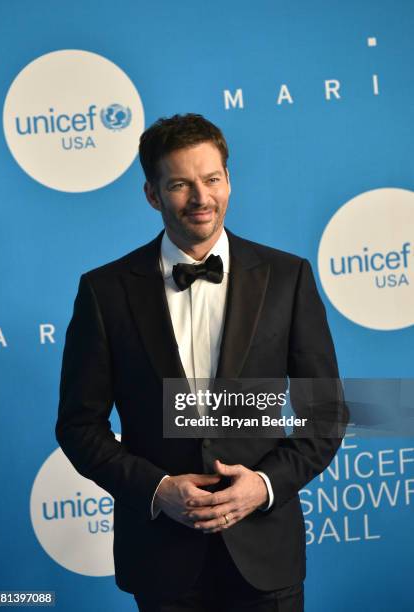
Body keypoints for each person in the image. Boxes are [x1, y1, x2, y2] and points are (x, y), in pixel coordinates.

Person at [56, 114, 344, 611]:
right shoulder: (105, 292)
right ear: (152, 194)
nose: (201, 198)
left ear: (229, 180)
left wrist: (264, 486)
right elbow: (79, 426)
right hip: (161, 559)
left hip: (265, 556)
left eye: (212, 179)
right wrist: (157, 489)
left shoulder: (287, 277)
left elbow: (327, 413)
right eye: (180, 184)